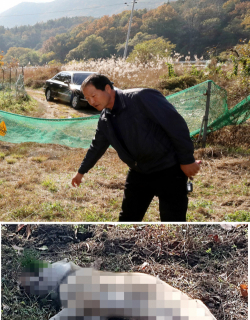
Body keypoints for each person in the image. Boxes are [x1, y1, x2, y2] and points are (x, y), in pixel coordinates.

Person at [70, 73, 201, 221]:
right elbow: (97, 147)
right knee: (127, 219)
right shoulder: (105, 118)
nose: (91, 102)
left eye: (93, 96)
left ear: (107, 88)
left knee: (173, 222)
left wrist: (187, 160)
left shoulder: (142, 98)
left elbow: (175, 125)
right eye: (87, 99)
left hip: (169, 170)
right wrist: (81, 171)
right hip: (139, 172)